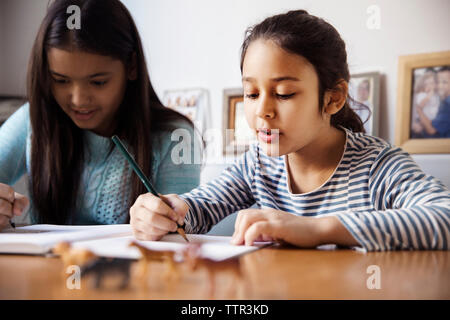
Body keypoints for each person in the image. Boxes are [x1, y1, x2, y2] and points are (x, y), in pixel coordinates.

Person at [130, 10, 450, 251]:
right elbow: (202, 207)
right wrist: (168, 211)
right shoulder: (258, 163)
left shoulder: (378, 165)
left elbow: (444, 217)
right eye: (252, 94)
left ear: (333, 98)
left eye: (283, 93)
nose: (262, 111)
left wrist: (317, 229)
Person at [0, 0, 201, 229]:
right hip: (46, 265)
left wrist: (165, 224)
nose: (78, 100)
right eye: (61, 80)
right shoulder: (33, 120)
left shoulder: (175, 136)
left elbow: (184, 231)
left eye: (98, 82)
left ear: (132, 66)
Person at [416, 66, 450, 138]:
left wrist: (419, 109)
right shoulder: (440, 100)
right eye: (437, 82)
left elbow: (431, 130)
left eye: (444, 82)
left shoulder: (446, 105)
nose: (439, 86)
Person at [411, 69, 440, 138]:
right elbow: (419, 106)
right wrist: (428, 97)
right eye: (426, 84)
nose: (429, 86)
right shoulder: (422, 95)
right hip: (422, 121)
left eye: (432, 83)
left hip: (433, 121)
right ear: (422, 85)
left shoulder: (437, 95)